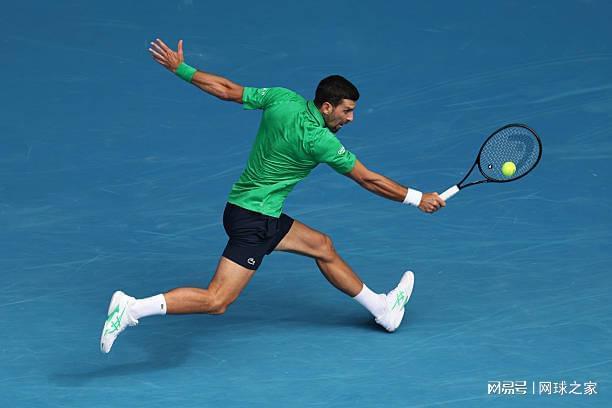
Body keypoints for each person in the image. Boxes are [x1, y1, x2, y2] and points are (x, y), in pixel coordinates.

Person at [100, 38, 445, 353]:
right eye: (346, 111)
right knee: (217, 300)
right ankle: (132, 309)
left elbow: (227, 90)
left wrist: (182, 69)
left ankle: (383, 309)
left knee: (322, 246)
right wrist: (417, 198)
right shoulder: (321, 141)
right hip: (256, 220)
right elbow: (368, 180)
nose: (352, 118)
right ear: (327, 107)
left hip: (240, 208)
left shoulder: (282, 98)